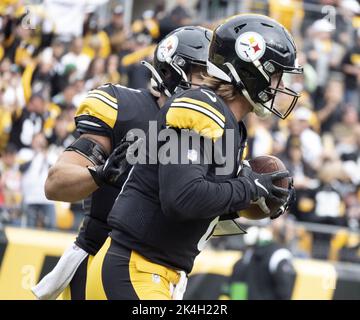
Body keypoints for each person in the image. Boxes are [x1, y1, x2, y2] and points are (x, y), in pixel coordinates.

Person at [86, 14, 302, 300]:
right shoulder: (200, 106)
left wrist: (255, 199)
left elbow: (197, 208)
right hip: (134, 268)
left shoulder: (232, 126)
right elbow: (182, 199)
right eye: (276, 74)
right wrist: (249, 187)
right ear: (252, 69)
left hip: (157, 273)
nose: (280, 85)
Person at [31, 26, 213, 300]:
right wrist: (99, 175)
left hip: (161, 275)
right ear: (172, 71)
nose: (210, 87)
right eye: (203, 75)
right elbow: (55, 184)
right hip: (101, 263)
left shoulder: (211, 130)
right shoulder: (124, 107)